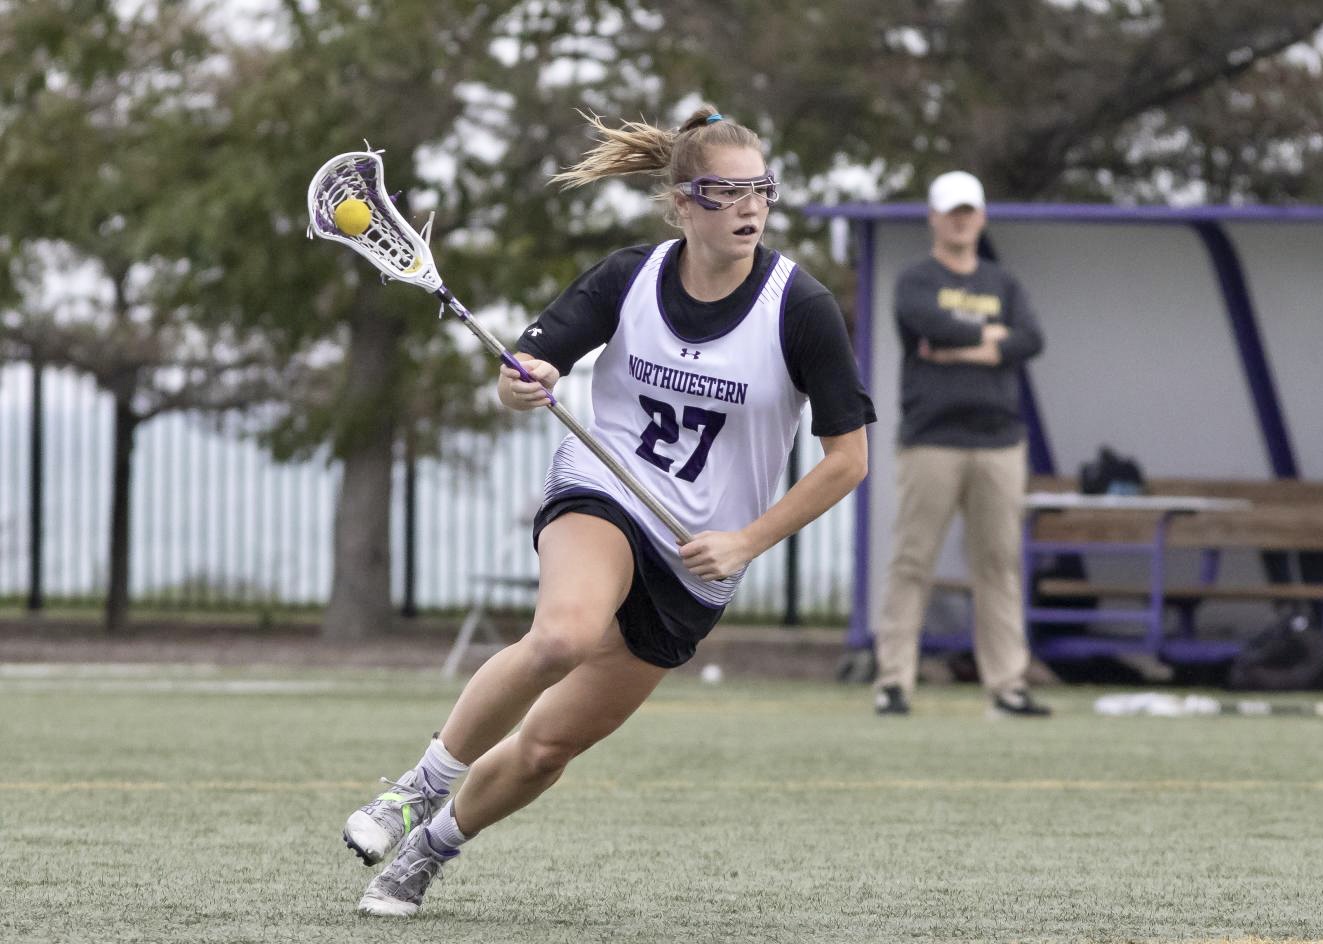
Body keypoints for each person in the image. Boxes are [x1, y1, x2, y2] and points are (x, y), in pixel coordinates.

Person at [345, 104, 875, 917]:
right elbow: (523, 372)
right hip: (609, 491)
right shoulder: (628, 276)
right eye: (724, 191)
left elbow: (848, 461)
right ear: (681, 201)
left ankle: (429, 849)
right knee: (562, 633)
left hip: (698, 559)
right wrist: (525, 383)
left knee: (547, 749)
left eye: (759, 190)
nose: (748, 207)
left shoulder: (798, 307)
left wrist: (745, 543)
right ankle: (413, 790)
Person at [871, 170, 1049, 720]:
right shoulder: (916, 280)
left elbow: (1031, 339)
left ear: (982, 217)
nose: (961, 220)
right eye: (952, 211)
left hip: (1000, 442)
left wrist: (959, 346)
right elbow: (927, 325)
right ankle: (894, 682)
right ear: (933, 218)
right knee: (912, 560)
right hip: (932, 440)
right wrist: (991, 340)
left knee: (999, 565)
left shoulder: (1004, 283)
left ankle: (1007, 687)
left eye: (969, 210)